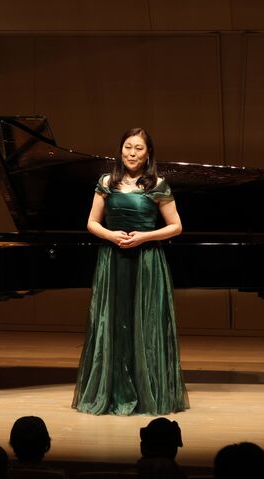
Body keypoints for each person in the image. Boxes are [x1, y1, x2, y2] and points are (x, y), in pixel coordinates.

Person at [72, 127, 189, 416]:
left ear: (148, 154)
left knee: (145, 323)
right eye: (128, 147)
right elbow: (92, 222)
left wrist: (144, 237)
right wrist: (111, 235)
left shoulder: (158, 184)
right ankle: (112, 391)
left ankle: (147, 391)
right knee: (113, 322)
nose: (132, 153)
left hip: (147, 261)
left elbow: (176, 226)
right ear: (120, 150)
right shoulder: (106, 182)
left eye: (138, 148)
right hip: (113, 259)